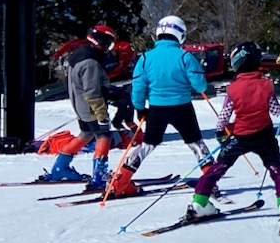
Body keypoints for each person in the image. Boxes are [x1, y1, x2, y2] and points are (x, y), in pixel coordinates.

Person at [188, 41, 280, 221]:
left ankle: (200, 201)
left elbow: (224, 115)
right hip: (265, 136)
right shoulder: (266, 84)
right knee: (275, 167)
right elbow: (275, 110)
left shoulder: (233, 88)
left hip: (240, 136)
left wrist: (220, 132)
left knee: (219, 166)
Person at [111, 15, 214, 197]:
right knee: (196, 144)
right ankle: (210, 182)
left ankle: (121, 182)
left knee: (148, 145)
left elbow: (138, 87)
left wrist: (140, 108)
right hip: (182, 108)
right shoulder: (185, 57)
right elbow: (200, 86)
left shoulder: (145, 58)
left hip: (157, 109)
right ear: (180, 34)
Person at [40, 24, 121, 189]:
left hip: (81, 106)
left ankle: (59, 169)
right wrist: (102, 114)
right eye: (109, 44)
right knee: (104, 136)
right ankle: (99, 177)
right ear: (100, 40)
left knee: (86, 134)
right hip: (91, 107)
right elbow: (92, 91)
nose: (108, 49)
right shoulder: (90, 62)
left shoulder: (79, 55)